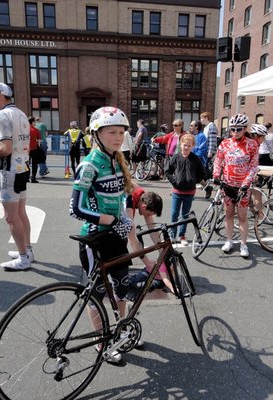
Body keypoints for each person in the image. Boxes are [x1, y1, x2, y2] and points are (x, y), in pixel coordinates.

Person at [69, 106, 134, 364]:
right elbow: (76, 208)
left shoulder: (118, 159)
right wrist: (112, 220)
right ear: (97, 134)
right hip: (95, 240)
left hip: (116, 237)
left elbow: (124, 195)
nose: (118, 137)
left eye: (121, 132)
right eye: (112, 132)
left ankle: (121, 331)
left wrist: (126, 218)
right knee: (95, 295)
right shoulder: (89, 165)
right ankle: (101, 343)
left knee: (122, 288)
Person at [0, 82, 34, 270]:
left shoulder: (2, 115)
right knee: (21, 212)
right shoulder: (21, 114)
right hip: (22, 167)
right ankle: (27, 250)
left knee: (11, 217)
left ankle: (23, 258)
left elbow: (4, 149)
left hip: (9, 171)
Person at [213, 114, 259, 258]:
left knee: (243, 216)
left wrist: (246, 183)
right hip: (227, 185)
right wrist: (215, 175)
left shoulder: (252, 144)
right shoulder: (225, 143)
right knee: (228, 215)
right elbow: (218, 160)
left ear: (245, 129)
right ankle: (229, 240)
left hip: (242, 187)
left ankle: (243, 244)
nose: (235, 132)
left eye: (238, 129)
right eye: (232, 129)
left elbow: (253, 166)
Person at [125, 186, 174, 292]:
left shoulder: (144, 196)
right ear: (144, 206)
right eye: (149, 213)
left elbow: (153, 230)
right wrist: (148, 264)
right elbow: (132, 238)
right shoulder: (130, 202)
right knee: (122, 242)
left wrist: (164, 254)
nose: (148, 216)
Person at [165, 133, 205, 246]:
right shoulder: (176, 157)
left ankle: (182, 235)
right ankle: (172, 235)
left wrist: (194, 181)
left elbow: (202, 173)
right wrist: (174, 181)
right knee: (174, 214)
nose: (186, 147)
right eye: (184, 145)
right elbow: (168, 171)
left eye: (189, 145)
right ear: (180, 145)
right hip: (177, 192)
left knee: (185, 215)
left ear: (192, 146)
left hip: (190, 192)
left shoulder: (195, 159)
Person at [200, 112, 218, 198]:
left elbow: (212, 139)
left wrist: (210, 151)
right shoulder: (206, 127)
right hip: (205, 150)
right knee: (204, 167)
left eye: (202, 118)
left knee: (205, 167)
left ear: (206, 118)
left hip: (208, 150)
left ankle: (208, 181)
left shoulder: (211, 126)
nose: (201, 120)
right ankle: (206, 182)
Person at [28, 116, 41, 183]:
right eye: (34, 121)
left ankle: (26, 177)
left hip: (26, 149)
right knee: (34, 164)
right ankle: (33, 178)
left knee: (26, 163)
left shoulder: (25, 129)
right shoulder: (36, 130)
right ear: (32, 122)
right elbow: (39, 141)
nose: (35, 122)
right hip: (34, 148)